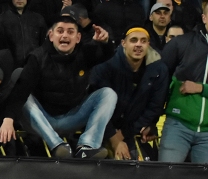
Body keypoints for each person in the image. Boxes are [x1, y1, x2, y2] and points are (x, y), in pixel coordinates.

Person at [0, 16, 116, 158]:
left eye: (70, 32)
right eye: (60, 31)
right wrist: (8, 119)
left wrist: (105, 42)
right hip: (41, 121)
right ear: (51, 35)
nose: (65, 35)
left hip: (71, 118)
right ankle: (57, 146)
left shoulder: (84, 53)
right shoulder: (37, 57)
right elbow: (20, 92)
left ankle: (87, 147)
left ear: (78, 38)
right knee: (19, 77)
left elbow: (107, 54)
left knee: (108, 94)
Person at [89, 27, 168, 160]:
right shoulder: (106, 65)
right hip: (100, 128)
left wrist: (124, 134)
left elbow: (154, 107)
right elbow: (96, 106)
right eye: (133, 40)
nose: (138, 45)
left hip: (132, 131)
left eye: (143, 41)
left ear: (148, 44)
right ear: (123, 43)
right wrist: (114, 138)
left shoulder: (159, 70)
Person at [158, 1, 208, 163]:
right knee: (167, 175)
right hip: (178, 125)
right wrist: (151, 120)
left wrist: (200, 88)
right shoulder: (181, 43)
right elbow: (160, 81)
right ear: (204, 18)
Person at [0, 0, 47, 67]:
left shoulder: (38, 19)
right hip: (10, 67)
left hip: (35, 66)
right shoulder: (0, 21)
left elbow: (44, 46)